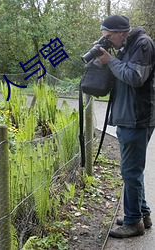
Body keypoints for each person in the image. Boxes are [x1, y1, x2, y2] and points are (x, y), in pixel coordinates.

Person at [97, 15, 155, 238]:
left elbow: (134, 77)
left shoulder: (143, 44)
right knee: (132, 171)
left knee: (130, 171)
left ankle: (133, 223)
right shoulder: (126, 46)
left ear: (121, 32)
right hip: (127, 117)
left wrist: (110, 61)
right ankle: (142, 214)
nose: (108, 41)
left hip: (137, 118)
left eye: (109, 37)